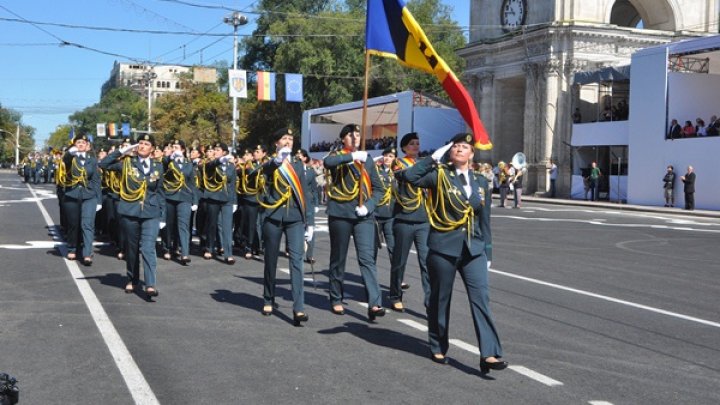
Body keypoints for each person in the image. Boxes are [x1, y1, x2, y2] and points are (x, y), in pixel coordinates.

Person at [397, 133, 506, 374]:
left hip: (473, 248)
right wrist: (432, 158)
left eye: (464, 146)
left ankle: (489, 353)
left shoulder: (480, 181)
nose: (459, 149)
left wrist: (488, 252)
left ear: (472, 154)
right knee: (440, 298)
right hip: (443, 247)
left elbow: (484, 220)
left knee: (481, 299)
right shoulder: (439, 175)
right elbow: (408, 176)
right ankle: (438, 343)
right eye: (455, 146)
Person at [323, 123, 386, 321]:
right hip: (341, 213)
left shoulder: (366, 159)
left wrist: (369, 205)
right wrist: (351, 157)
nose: (355, 138)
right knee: (338, 258)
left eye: (357, 135)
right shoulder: (339, 157)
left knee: (367, 259)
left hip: (363, 216)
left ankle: (375, 303)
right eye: (351, 135)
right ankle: (335, 297)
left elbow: (379, 189)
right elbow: (328, 164)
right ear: (343, 139)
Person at [253, 128, 314, 325]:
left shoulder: (298, 163)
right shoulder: (271, 161)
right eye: (284, 139)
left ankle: (299, 308)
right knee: (270, 260)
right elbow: (260, 173)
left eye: (291, 138)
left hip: (295, 217)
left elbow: (305, 193)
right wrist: (277, 161)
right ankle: (268, 298)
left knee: (297, 261)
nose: (288, 141)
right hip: (273, 215)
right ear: (276, 143)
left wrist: (309, 222)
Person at [99, 134, 165, 299]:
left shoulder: (158, 166)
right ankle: (133, 279)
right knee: (132, 248)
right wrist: (122, 150)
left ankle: (150, 284)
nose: (142, 146)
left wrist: (162, 215)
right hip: (130, 210)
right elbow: (103, 164)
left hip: (151, 212)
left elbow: (160, 191)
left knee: (148, 248)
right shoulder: (126, 164)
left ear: (152, 149)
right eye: (140, 143)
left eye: (146, 144)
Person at [389, 132, 431, 311]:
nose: (415, 146)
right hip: (405, 217)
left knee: (427, 261)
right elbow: (406, 176)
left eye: (417, 143)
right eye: (412, 144)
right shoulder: (399, 162)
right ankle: (395, 294)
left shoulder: (424, 164)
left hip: (423, 219)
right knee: (399, 261)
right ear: (404, 147)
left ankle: (430, 301)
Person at [56, 133, 101, 265]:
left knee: (87, 225)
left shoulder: (92, 160)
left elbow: (96, 180)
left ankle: (87, 253)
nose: (81, 144)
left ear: (88, 146)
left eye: (83, 143)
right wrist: (70, 152)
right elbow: (66, 160)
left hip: (89, 196)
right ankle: (72, 248)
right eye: (78, 142)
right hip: (72, 194)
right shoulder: (71, 158)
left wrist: (98, 199)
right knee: (73, 224)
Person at [161, 139, 198, 265]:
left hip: (185, 197)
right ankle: (167, 248)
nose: (174, 149)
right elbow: (164, 163)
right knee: (169, 224)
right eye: (173, 147)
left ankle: (184, 253)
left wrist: (195, 201)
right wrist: (170, 157)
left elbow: (192, 183)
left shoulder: (189, 164)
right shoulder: (168, 161)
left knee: (183, 225)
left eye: (177, 147)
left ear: (182, 150)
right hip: (170, 196)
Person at [200, 142, 237, 264]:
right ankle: (209, 248)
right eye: (214, 149)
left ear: (224, 152)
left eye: (218, 149)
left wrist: (234, 201)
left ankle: (228, 253)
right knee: (212, 224)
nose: (215, 151)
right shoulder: (211, 163)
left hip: (226, 198)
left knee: (227, 226)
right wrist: (220, 160)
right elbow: (211, 166)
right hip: (214, 197)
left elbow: (232, 185)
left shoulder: (231, 166)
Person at [373, 146, 396, 267]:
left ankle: (398, 279)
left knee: (393, 247)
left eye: (391, 156)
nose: (387, 158)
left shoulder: (397, 172)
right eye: (386, 155)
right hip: (376, 213)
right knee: (373, 248)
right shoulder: (376, 170)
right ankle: (370, 278)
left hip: (391, 214)